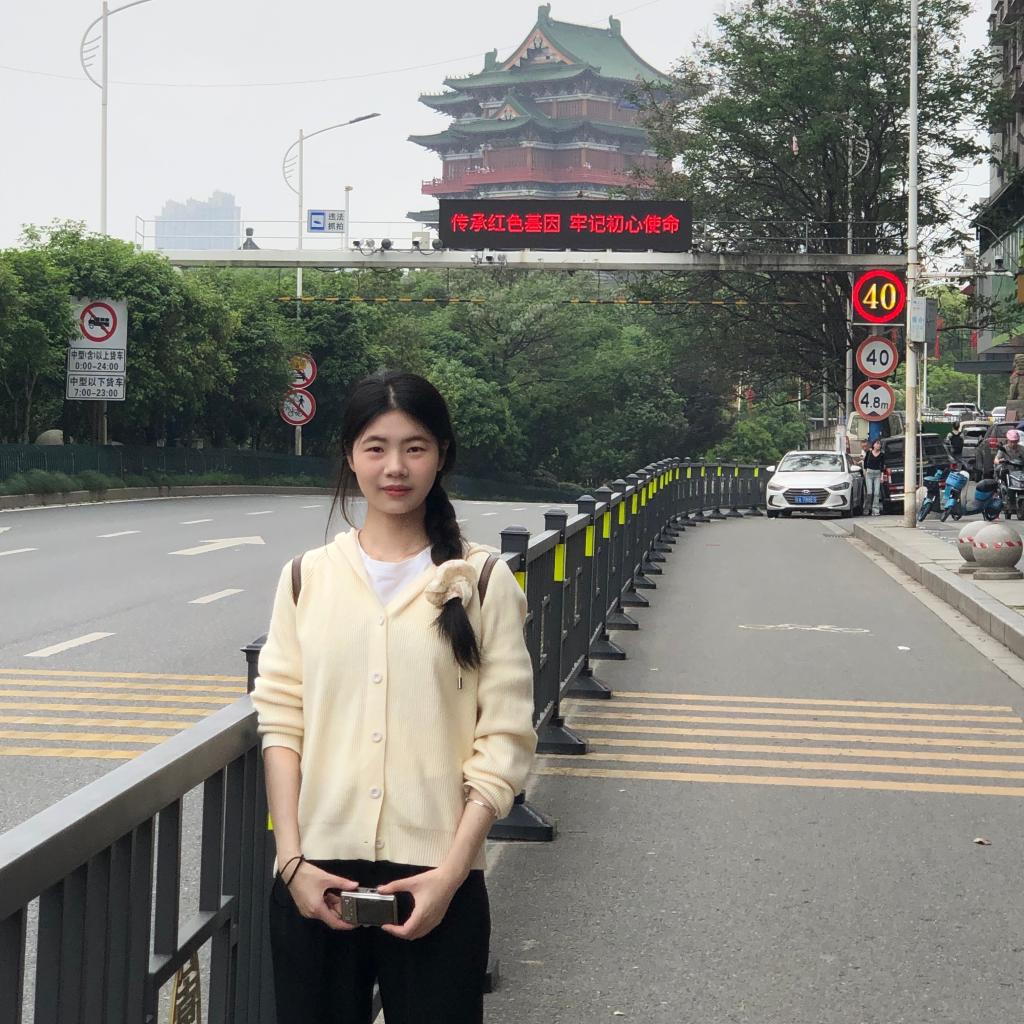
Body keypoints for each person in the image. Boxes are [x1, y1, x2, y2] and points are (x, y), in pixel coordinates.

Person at [251, 370, 537, 1024]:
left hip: (438, 880)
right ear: (350, 457)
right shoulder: (306, 578)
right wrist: (292, 861)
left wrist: (452, 874)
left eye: (415, 447)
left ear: (442, 455)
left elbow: (504, 739)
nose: (395, 467)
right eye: (376, 448)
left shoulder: (483, 579)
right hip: (315, 883)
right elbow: (282, 723)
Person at [863, 438, 885, 516]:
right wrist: (865, 472)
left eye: (879, 444)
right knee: (869, 492)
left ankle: (875, 510)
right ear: (873, 445)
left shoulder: (882, 454)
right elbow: (865, 463)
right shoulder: (869, 452)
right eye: (877, 443)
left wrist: (882, 477)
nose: (878, 445)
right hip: (869, 474)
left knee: (876, 493)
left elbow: (882, 466)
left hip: (877, 474)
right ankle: (866, 508)